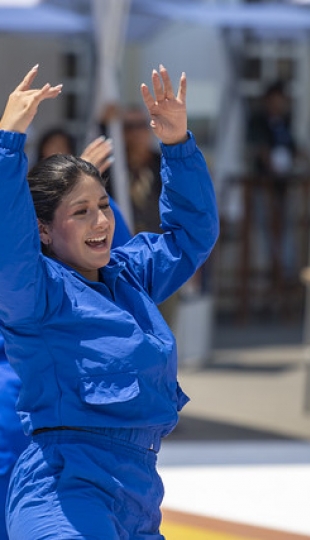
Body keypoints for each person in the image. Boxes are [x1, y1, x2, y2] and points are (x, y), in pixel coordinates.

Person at [0, 63, 219, 539]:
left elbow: (191, 236)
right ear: (42, 230)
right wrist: (6, 144)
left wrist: (178, 146)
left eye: (102, 205)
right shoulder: (37, 294)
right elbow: (8, 250)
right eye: (80, 212)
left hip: (138, 493)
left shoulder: (130, 273)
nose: (101, 222)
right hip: (65, 493)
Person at [0, 129, 132, 540]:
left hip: (58, 427)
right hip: (37, 422)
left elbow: (116, 260)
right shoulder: (21, 250)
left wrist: (84, 194)